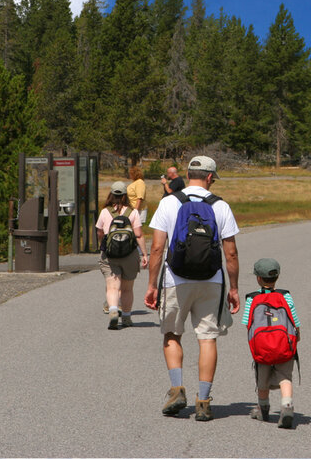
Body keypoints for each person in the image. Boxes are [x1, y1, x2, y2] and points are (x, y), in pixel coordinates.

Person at [144, 155, 241, 422]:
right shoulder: (221, 206)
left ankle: (176, 390)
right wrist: (233, 288)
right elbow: (230, 254)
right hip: (211, 280)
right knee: (207, 338)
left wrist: (152, 285)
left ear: (187, 175)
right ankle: (203, 401)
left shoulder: (169, 203)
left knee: (172, 334)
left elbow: (156, 248)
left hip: (175, 279)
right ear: (210, 177)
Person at [242, 258, 301, 429]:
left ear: (258, 278)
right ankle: (287, 406)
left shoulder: (252, 299)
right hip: (284, 346)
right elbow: (294, 320)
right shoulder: (285, 296)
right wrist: (296, 338)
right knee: (285, 377)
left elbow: (248, 323)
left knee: (262, 380)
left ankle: (263, 408)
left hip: (262, 348)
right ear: (277, 276)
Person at [96, 181, 148, 329]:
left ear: (111, 194)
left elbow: (100, 232)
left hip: (109, 255)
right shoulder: (133, 212)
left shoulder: (105, 211)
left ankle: (113, 310)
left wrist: (103, 244)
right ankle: (126, 317)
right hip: (129, 254)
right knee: (127, 288)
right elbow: (138, 235)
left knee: (112, 286)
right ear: (125, 195)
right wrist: (144, 254)